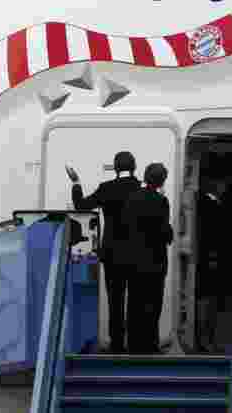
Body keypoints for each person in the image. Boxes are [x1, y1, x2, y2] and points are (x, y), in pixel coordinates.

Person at [66, 151, 141, 354]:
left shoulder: (107, 189)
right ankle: (135, 344)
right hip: (137, 254)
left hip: (113, 253)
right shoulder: (141, 188)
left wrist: (76, 182)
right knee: (135, 299)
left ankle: (117, 344)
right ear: (134, 167)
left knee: (115, 299)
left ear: (116, 168)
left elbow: (81, 205)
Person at [122, 163, 173, 354]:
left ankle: (134, 345)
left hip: (133, 260)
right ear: (162, 181)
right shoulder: (161, 201)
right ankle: (150, 345)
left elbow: (126, 227)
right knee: (153, 304)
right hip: (155, 261)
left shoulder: (131, 198)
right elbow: (164, 232)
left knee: (134, 303)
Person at [195, 177, 230, 353]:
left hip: (209, 258)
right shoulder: (209, 205)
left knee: (209, 300)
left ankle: (206, 339)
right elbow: (214, 236)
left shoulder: (206, 203)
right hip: (210, 259)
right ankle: (205, 340)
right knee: (207, 300)